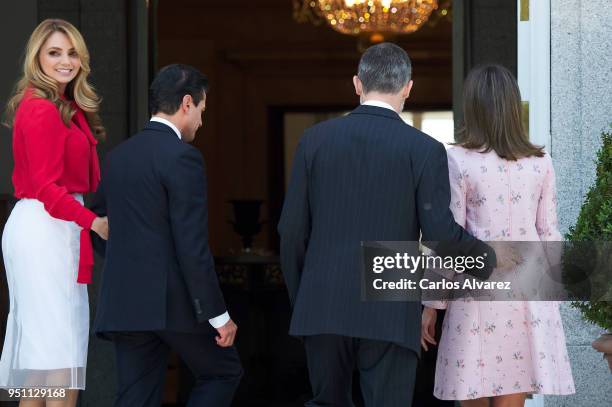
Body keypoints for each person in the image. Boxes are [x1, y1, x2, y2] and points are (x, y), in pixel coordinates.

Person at [278, 42, 496, 407]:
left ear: (357, 84)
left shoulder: (314, 141)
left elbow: (291, 232)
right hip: (390, 303)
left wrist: (303, 299)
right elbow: (440, 234)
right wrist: (485, 257)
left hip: (322, 302)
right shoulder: (424, 149)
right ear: (408, 87)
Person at [421, 65, 575, 406]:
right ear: (511, 106)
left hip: (477, 290)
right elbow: (549, 231)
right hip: (527, 293)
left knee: (470, 391)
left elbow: (449, 237)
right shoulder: (540, 162)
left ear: (472, 106)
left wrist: (432, 304)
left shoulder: (458, 160)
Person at [90, 64, 242, 407]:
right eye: (202, 110)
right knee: (222, 372)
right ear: (187, 103)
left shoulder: (116, 158)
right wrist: (219, 316)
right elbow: (192, 246)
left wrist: (128, 261)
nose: (202, 121)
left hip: (125, 302)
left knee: (135, 398)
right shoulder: (183, 157)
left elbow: (97, 224)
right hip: (174, 302)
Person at [0, 19, 108, 406]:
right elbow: (47, 187)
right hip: (47, 228)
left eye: (72, 52)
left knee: (45, 355)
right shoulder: (43, 108)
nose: (65, 61)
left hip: (50, 225)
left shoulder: (60, 105)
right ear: (37, 59)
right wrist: (93, 222)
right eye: (54, 52)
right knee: (57, 348)